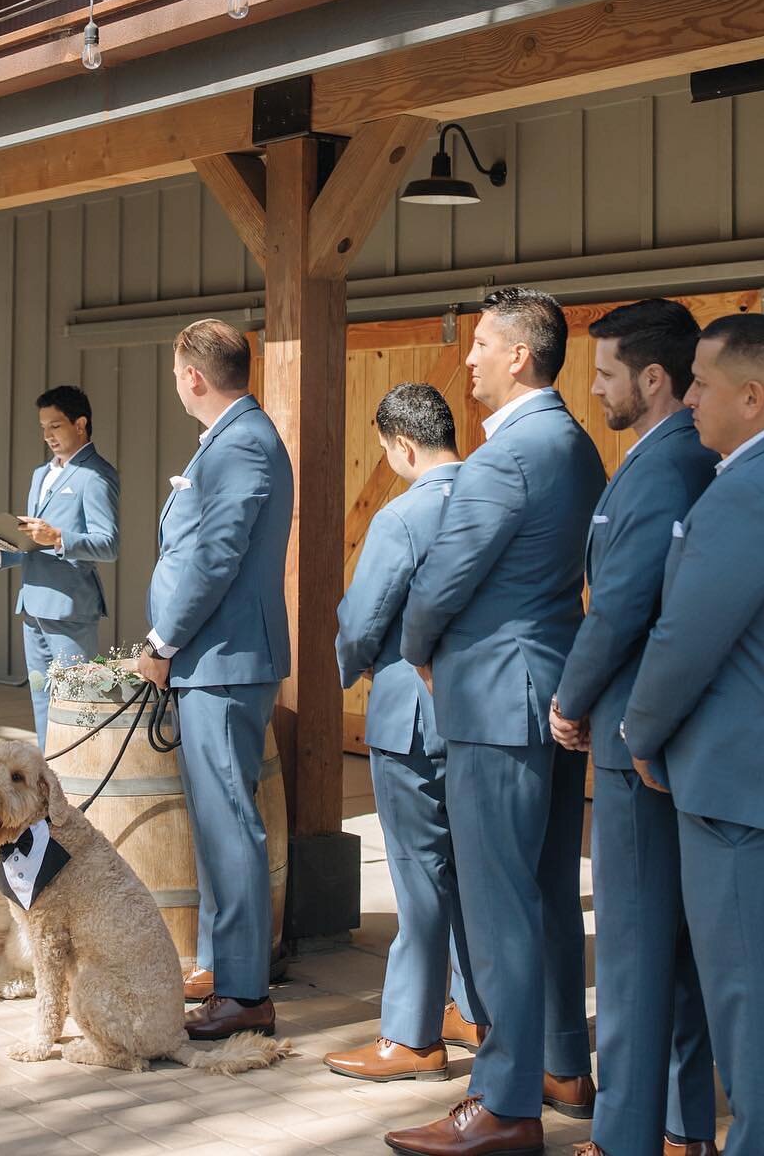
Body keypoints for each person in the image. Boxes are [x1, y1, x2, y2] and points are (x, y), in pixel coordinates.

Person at [391, 288, 606, 1156]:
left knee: (497, 904)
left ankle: (506, 1103)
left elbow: (444, 574)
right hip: (550, 687)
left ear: (521, 356)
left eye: (481, 344)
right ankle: (561, 1065)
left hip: (491, 695)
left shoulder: (507, 454)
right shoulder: (578, 445)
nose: (469, 358)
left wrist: (418, 648)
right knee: (547, 889)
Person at [624, 314, 764, 1156]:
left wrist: (641, 732)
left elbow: (685, 640)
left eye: (703, 383)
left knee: (753, 1000)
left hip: (745, 788)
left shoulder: (745, 493)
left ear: (752, 396)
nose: (690, 396)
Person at [549, 301, 718, 1156]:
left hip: (630, 739)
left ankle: (627, 1138)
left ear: (654, 380)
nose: (595, 386)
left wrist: (570, 702)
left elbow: (619, 609)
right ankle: (684, 1129)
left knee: (632, 951)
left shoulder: (663, 468)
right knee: (670, 950)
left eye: (606, 372)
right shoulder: (672, 458)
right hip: (654, 736)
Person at [135, 318, 293, 1041]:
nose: (175, 384)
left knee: (230, 823)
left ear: (193, 376)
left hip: (222, 660)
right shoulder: (232, 441)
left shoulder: (242, 445)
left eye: (175, 373)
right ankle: (222, 964)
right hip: (215, 659)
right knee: (215, 822)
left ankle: (243, 992)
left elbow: (215, 557)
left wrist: (164, 641)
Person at [325, 383, 484, 1084]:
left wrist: (351, 664)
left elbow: (363, 621)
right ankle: (473, 1009)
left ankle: (411, 1035)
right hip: (483, 713)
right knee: (475, 873)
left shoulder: (402, 516)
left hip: (412, 716)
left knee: (420, 880)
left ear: (402, 445)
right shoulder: (495, 499)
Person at [0, 383, 119, 746]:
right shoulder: (41, 474)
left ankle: (81, 784)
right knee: (42, 699)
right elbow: (31, 540)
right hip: (33, 604)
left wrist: (58, 537)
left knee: (77, 701)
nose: (48, 435)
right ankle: (49, 779)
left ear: (80, 424)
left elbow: (109, 544)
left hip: (70, 608)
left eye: (55, 426)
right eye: (43, 428)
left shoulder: (95, 475)